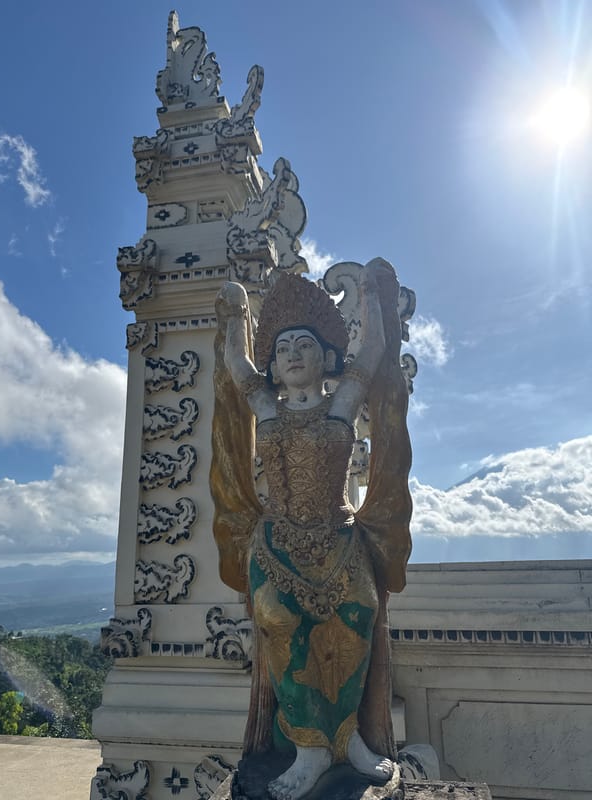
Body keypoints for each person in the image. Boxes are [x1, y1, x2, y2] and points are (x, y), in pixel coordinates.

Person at [210, 260, 412, 800]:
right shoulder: (265, 408)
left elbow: (371, 354)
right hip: (276, 545)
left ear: (325, 357)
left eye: (303, 345)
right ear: (272, 364)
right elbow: (234, 363)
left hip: (341, 541)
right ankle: (309, 748)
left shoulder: (342, 405)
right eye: (281, 348)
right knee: (280, 625)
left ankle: (347, 742)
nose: (292, 354)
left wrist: (370, 294)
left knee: (358, 617)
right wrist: (235, 313)